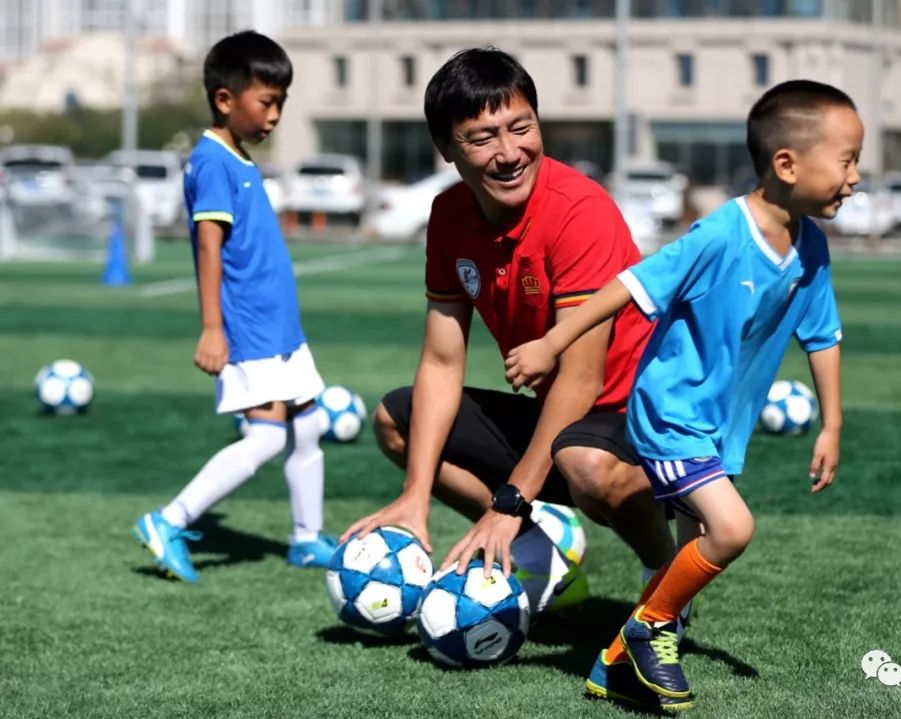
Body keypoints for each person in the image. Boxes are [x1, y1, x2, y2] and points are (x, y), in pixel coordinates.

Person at [505, 79, 854, 709]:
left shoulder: (811, 247)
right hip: (671, 416)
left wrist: (831, 425)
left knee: (698, 548)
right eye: (847, 159)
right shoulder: (720, 235)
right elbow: (629, 287)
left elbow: (822, 335)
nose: (855, 177)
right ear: (787, 164)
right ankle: (646, 626)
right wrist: (553, 344)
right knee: (732, 529)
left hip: (720, 426)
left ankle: (613, 665)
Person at [341, 47, 677, 614]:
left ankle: (666, 578)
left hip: (648, 426)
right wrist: (414, 497)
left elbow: (582, 376)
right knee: (397, 421)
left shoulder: (579, 210)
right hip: (566, 425)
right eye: (481, 137)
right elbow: (443, 362)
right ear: (447, 149)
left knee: (586, 463)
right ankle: (543, 564)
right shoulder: (449, 217)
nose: (509, 153)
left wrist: (509, 500)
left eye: (520, 128)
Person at [132, 31, 335, 583]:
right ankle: (167, 521)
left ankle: (307, 537)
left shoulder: (238, 158)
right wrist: (211, 328)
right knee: (268, 436)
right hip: (249, 327)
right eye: (266, 102)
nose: (274, 116)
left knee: (309, 425)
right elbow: (207, 248)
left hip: (281, 326)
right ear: (226, 99)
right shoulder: (212, 162)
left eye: (281, 104)